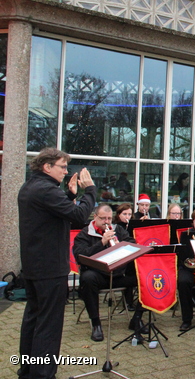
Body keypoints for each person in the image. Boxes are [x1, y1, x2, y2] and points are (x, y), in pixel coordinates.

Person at [18, 148, 96, 379]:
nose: (65, 171)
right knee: (49, 325)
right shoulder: (46, 190)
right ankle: (43, 374)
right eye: (62, 166)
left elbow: (54, 214)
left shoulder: (30, 186)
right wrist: (89, 190)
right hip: (50, 267)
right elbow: (80, 217)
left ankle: (28, 371)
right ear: (47, 166)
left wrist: (71, 196)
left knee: (33, 319)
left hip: (34, 266)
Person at [73, 204, 146, 341]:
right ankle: (96, 324)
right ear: (95, 217)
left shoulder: (118, 229)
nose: (107, 222)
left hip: (118, 274)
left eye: (109, 218)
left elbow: (132, 243)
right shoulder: (84, 234)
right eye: (103, 219)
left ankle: (136, 319)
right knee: (87, 279)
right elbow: (80, 256)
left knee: (145, 277)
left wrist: (121, 245)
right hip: (98, 275)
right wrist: (102, 242)